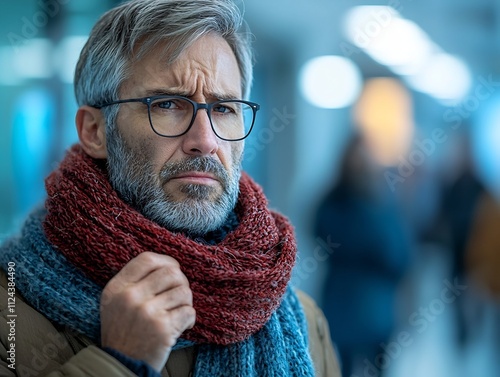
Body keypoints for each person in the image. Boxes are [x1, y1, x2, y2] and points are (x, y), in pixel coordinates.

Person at [0, 0, 340, 376]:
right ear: (95, 131)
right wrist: (120, 361)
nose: (205, 140)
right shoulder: (10, 314)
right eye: (167, 104)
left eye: (224, 109)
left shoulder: (303, 322)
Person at [314, 135, 412, 377]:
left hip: (373, 306)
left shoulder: (381, 203)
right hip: (348, 304)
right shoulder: (340, 203)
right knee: (346, 366)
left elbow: (399, 255)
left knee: (373, 367)